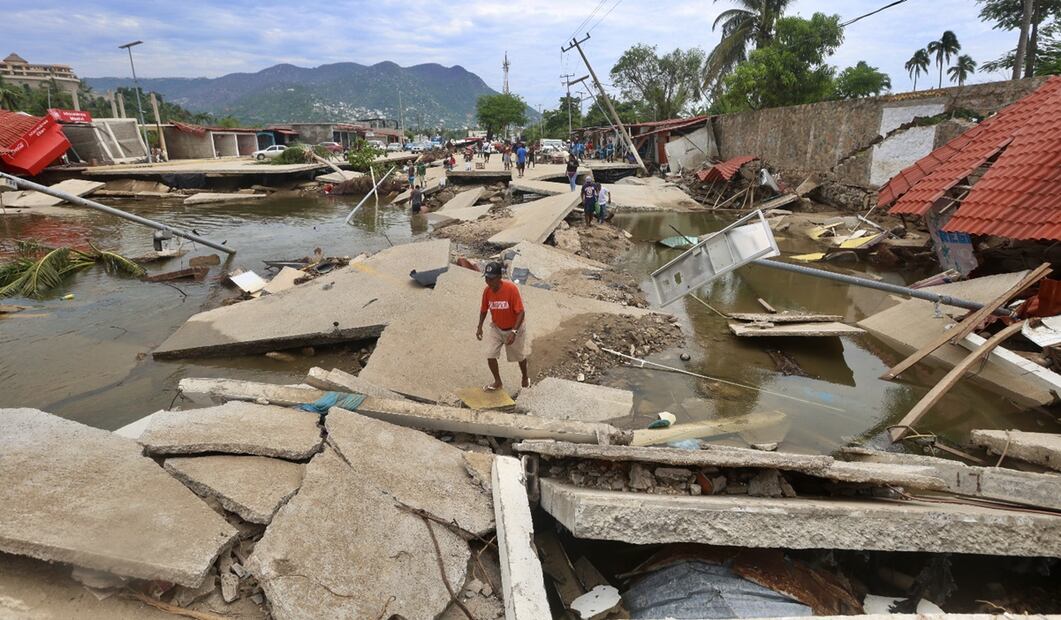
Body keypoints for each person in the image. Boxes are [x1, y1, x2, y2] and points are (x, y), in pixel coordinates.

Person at [476, 261, 529, 391]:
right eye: (487, 278)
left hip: (514, 329)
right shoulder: (487, 291)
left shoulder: (511, 289)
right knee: (490, 355)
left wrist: (514, 332)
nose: (488, 282)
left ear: (499, 278)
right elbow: (483, 310)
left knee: (519, 357)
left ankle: (524, 376)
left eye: (491, 279)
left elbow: (521, 312)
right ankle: (498, 382)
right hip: (497, 328)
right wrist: (479, 326)